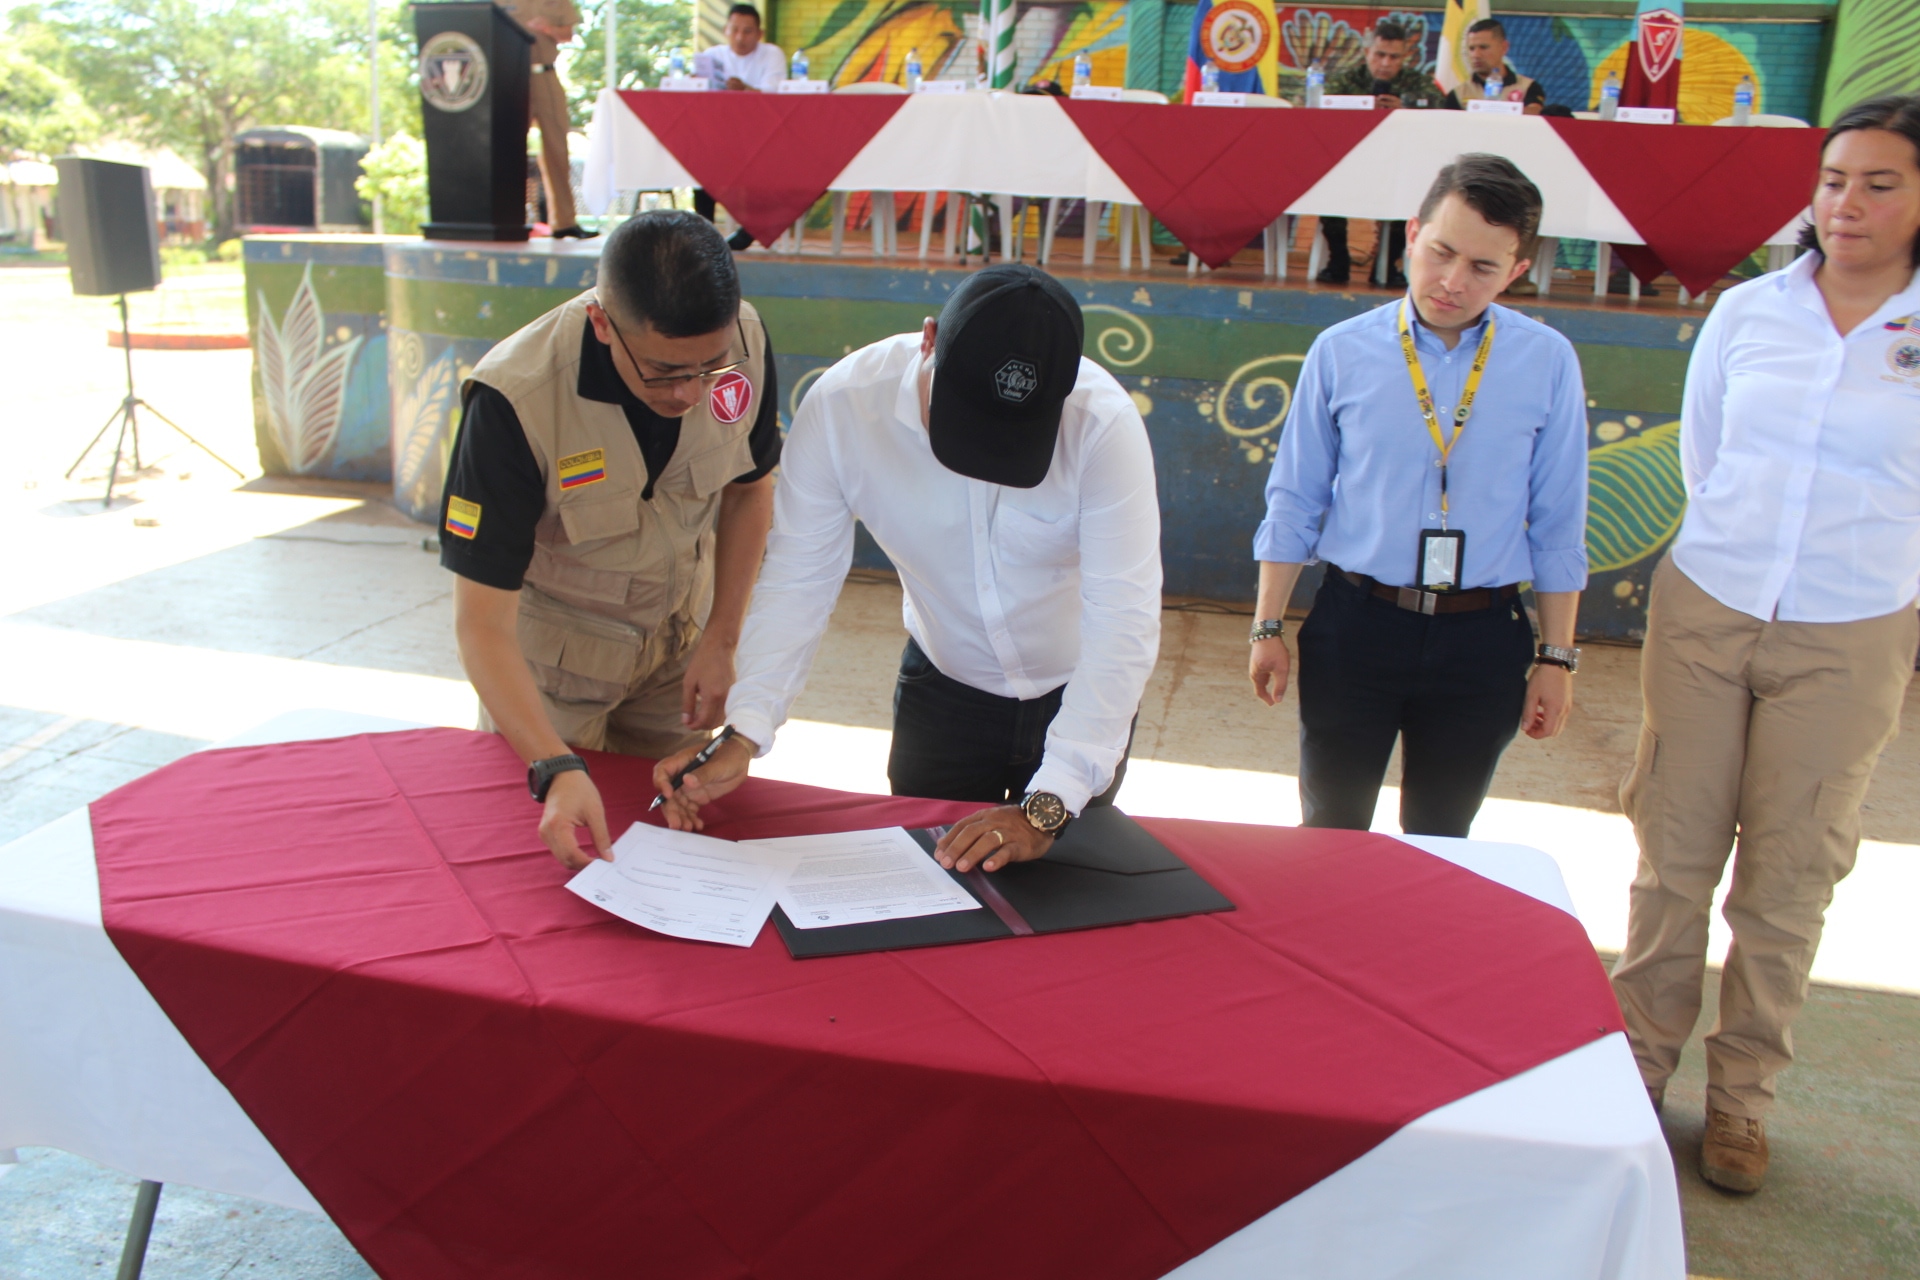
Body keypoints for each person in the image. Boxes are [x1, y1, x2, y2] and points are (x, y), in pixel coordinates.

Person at [1609, 93, 1920, 1195]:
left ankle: (1741, 1098)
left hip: (1853, 630)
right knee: (1673, 853)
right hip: (1710, 607)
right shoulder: (1750, 311)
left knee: (1789, 876)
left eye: (1880, 183)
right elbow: (1708, 458)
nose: (1848, 203)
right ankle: (1635, 1072)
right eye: (1834, 179)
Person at [652, 264, 1163, 876]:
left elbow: (1124, 620)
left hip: (1081, 693)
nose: (982, 459)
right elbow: (799, 577)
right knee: (927, 884)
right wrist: (746, 727)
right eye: (964, 421)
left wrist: (1048, 806)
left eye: (1010, 440)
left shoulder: (1101, 423)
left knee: (1065, 902)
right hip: (945, 692)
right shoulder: (843, 411)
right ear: (928, 340)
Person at [1249, 153, 1588, 837]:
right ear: (1412, 234)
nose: (1452, 282)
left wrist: (1556, 658)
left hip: (1483, 638)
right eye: (1441, 252)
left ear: (1517, 271)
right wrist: (1267, 625)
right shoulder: (1341, 352)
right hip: (1357, 627)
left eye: (1484, 268)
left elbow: (1559, 520)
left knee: (1443, 842)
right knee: (1331, 833)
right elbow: (1295, 498)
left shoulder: (1546, 361)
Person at [438, 210, 781, 869]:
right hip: (553, 682)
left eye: (708, 366)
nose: (688, 391)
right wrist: (551, 764)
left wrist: (722, 637)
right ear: (602, 323)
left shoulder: (744, 344)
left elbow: (748, 488)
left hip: (679, 660)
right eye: (661, 370)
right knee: (548, 863)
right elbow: (480, 626)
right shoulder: (516, 400)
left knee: (667, 852)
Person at [1318, 20, 1446, 287]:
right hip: (1353, 164)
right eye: (1380, 55)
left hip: (1399, 166)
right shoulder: (1349, 79)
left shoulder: (1414, 81)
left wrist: (1407, 105)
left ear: (1404, 58)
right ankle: (1337, 260)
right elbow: (1324, 106)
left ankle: (1387, 264)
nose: (1386, 63)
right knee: (1326, 185)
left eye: (1394, 57)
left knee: (1413, 192)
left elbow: (1441, 104)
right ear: (1368, 53)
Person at [692, 3, 787, 250]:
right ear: (725, 30)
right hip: (720, 135)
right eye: (734, 30)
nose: (740, 37)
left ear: (759, 34)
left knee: (774, 167)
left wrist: (745, 89)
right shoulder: (713, 55)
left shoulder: (772, 54)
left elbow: (777, 96)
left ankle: (749, 231)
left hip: (762, 137)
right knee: (699, 161)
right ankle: (705, 236)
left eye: (747, 31)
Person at [501, 0, 592, 238]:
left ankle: (564, 222)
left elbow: (568, 35)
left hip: (546, 75)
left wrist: (547, 28)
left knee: (557, 149)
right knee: (508, 151)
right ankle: (508, 220)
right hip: (510, 76)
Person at [1442, 19, 1546, 115]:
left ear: (1504, 47)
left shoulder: (1528, 87)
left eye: (1483, 47)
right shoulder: (1458, 94)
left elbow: (1535, 114)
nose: (1476, 55)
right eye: (1471, 48)